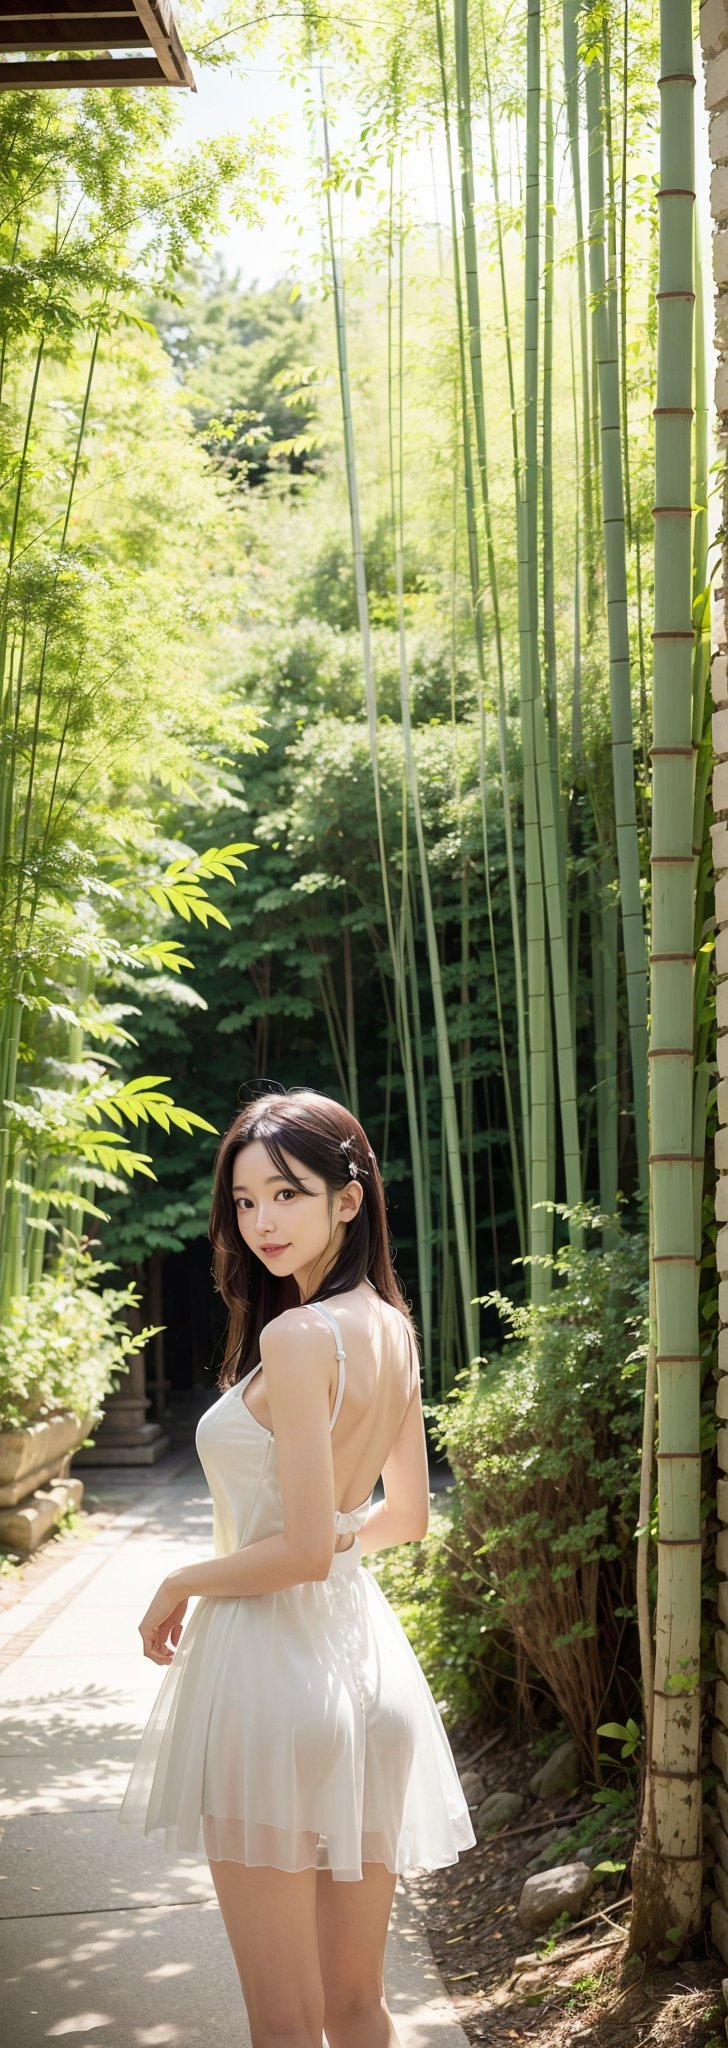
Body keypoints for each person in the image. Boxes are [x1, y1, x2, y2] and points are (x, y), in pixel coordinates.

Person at [118, 1085, 476, 2048]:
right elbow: (403, 1519)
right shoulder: (391, 1327)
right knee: (359, 2008)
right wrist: (326, 1535)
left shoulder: (298, 1334)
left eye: (287, 1194)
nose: (262, 1221)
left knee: (283, 2025)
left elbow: (304, 1547)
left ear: (348, 1199)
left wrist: (180, 1579)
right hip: (371, 1681)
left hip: (272, 1684)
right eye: (244, 1202)